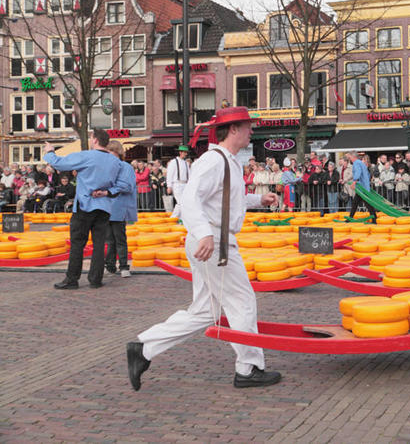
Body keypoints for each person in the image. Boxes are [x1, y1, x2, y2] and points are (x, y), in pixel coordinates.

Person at [128, 107, 280, 391]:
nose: (251, 131)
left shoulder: (227, 161)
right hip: (216, 243)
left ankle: (144, 347)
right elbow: (190, 198)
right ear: (233, 129)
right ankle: (249, 368)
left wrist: (259, 201)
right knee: (242, 301)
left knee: (205, 311)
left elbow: (224, 200)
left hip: (213, 240)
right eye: (248, 127)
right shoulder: (214, 161)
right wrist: (205, 234)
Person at [45, 129, 127, 289]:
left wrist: (50, 152)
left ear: (95, 140)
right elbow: (122, 185)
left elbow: (59, 163)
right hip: (104, 207)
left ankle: (72, 279)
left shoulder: (87, 156)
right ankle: (95, 279)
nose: (90, 140)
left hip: (85, 205)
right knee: (99, 243)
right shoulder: (115, 162)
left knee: (77, 243)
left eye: (90, 137)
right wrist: (107, 192)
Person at [103, 141, 137, 277]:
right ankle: (110, 265)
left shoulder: (125, 167)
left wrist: (108, 190)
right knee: (109, 239)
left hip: (119, 207)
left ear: (118, 153)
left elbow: (127, 186)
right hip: (107, 207)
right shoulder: (106, 167)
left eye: (111, 153)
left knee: (119, 238)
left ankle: (123, 266)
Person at [348, 151, 377, 222]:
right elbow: (367, 174)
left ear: (353, 157)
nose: (349, 159)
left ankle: (374, 219)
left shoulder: (356, 163)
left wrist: (354, 182)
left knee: (366, 203)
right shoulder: (361, 163)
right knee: (357, 203)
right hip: (364, 186)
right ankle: (374, 217)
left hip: (362, 187)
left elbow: (358, 172)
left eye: (350, 157)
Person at [166, 145, 191, 216]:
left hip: (185, 184)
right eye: (184, 152)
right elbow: (169, 174)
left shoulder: (186, 163)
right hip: (177, 184)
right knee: (180, 202)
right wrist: (169, 186)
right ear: (180, 152)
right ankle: (173, 218)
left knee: (184, 203)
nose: (186, 154)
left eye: (186, 152)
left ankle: (180, 218)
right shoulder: (174, 162)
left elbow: (189, 175)